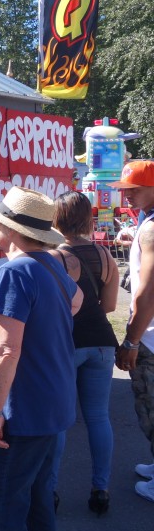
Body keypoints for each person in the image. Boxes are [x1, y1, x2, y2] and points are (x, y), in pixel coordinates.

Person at [0, 186, 82, 531]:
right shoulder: (50, 264)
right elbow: (78, 299)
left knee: (3, 505)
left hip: (26, 409)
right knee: (37, 500)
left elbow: (6, 350)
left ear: (9, 230)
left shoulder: (15, 272)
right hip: (55, 400)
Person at [48, 191, 119, 516]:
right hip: (102, 342)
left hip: (68, 344)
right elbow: (111, 306)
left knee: (60, 419)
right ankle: (100, 488)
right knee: (99, 417)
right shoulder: (105, 255)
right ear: (89, 218)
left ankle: (49, 491)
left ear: (57, 219)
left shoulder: (56, 257)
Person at [109, 160, 154, 503]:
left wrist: (132, 340)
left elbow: (147, 292)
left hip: (151, 336)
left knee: (150, 407)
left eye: (134, 189)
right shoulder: (147, 225)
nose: (129, 196)